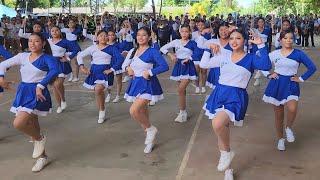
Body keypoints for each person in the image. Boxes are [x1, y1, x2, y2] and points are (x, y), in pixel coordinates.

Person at [200, 28, 271, 172]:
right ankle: (228, 169)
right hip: (219, 94)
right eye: (231, 38)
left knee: (217, 124)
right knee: (221, 129)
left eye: (238, 38)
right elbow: (203, 64)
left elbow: (266, 66)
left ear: (244, 40)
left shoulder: (250, 58)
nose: (234, 41)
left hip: (236, 96)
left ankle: (226, 154)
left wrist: (261, 45)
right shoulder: (224, 55)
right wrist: (208, 48)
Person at [0, 33, 59, 172]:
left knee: (19, 123)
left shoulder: (48, 58)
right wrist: (1, 79)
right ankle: (42, 157)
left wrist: (41, 85)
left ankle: (39, 138)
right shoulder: (22, 56)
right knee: (32, 123)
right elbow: (2, 64)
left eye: (36, 41)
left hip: (37, 94)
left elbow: (54, 70)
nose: (32, 44)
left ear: (43, 43)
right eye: (30, 41)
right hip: (23, 92)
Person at [262, 30, 316, 151]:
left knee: (292, 108)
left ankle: (288, 128)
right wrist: (268, 74)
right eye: (285, 38)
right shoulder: (274, 54)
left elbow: (312, 67)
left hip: (291, 83)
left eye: (291, 38)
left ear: (294, 40)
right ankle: (280, 139)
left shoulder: (298, 54)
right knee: (279, 116)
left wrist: (301, 78)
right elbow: (262, 64)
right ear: (280, 40)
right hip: (276, 84)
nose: (288, 40)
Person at [122, 27, 169, 153]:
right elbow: (124, 65)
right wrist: (128, 68)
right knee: (142, 112)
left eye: (144, 35)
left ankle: (151, 129)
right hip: (135, 83)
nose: (140, 37)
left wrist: (150, 72)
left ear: (149, 37)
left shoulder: (153, 51)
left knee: (134, 111)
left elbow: (164, 66)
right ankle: (150, 141)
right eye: (138, 35)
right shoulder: (133, 51)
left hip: (148, 83)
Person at [77, 30, 124, 124]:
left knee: (98, 89)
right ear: (97, 38)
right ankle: (102, 109)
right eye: (101, 35)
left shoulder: (112, 48)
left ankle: (101, 111)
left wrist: (112, 69)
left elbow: (120, 58)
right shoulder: (92, 48)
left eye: (105, 36)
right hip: (94, 72)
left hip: (105, 73)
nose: (103, 37)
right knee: (97, 92)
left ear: (108, 38)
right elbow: (79, 55)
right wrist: (82, 67)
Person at [160, 24, 202, 123]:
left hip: (188, 67)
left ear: (190, 32)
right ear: (179, 32)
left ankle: (182, 112)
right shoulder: (176, 42)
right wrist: (170, 54)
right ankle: (182, 112)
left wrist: (189, 58)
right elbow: (162, 48)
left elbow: (198, 53)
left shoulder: (192, 43)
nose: (184, 33)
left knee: (180, 89)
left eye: (186, 31)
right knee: (182, 92)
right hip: (178, 66)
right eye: (182, 31)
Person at [48, 26, 80, 113]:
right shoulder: (48, 41)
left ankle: (63, 99)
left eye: (56, 30)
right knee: (54, 86)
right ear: (50, 32)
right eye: (52, 31)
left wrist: (69, 58)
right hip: (50, 65)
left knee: (58, 84)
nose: (54, 32)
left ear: (60, 31)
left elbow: (77, 49)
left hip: (61, 64)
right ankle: (59, 105)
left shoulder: (65, 41)